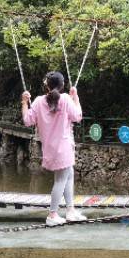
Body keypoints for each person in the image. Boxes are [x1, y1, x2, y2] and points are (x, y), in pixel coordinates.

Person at [22, 71, 87, 226]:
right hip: (63, 148)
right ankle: (52, 214)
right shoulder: (65, 99)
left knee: (69, 174)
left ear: (47, 86)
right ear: (62, 85)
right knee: (60, 180)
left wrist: (24, 102)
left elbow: (27, 121)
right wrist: (76, 97)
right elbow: (78, 116)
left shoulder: (37, 101)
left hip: (51, 149)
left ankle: (70, 211)